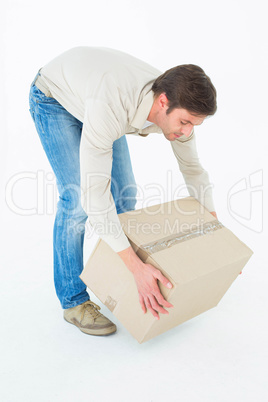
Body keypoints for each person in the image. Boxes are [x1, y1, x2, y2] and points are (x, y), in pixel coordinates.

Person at [29, 46, 217, 337]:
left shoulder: (178, 106)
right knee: (77, 201)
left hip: (94, 94)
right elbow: (94, 194)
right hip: (55, 97)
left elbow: (192, 169)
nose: (187, 132)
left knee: (125, 196)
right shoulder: (114, 107)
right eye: (185, 122)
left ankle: (116, 277)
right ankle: (73, 301)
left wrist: (214, 227)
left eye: (195, 124)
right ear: (163, 102)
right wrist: (137, 266)